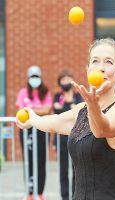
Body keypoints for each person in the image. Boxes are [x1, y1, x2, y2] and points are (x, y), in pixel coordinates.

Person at [16, 38, 115, 200]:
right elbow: (55, 123)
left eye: (108, 62)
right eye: (95, 61)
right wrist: (32, 118)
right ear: (88, 70)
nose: (101, 68)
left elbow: (101, 129)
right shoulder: (81, 110)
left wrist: (93, 105)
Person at [16, 65, 53, 200]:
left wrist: (30, 110)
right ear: (28, 78)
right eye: (32, 77)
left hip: (42, 129)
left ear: (40, 77)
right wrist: (39, 110)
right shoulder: (23, 92)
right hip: (27, 131)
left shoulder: (46, 92)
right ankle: (30, 193)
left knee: (41, 160)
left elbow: (48, 109)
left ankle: (40, 192)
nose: (34, 79)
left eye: (37, 76)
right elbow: (20, 112)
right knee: (29, 160)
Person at [53, 69, 82, 200]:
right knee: (63, 170)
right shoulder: (57, 97)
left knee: (76, 170)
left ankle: (75, 196)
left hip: (75, 136)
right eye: (63, 80)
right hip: (61, 137)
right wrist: (70, 107)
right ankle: (64, 197)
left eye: (68, 79)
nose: (66, 82)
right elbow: (57, 116)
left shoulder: (78, 96)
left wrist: (65, 108)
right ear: (60, 82)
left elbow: (79, 113)